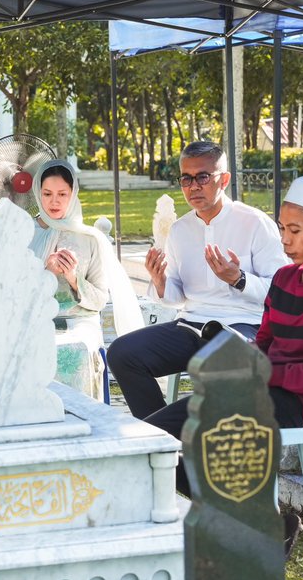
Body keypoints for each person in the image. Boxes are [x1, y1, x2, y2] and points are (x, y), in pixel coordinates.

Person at [146, 175, 303, 557]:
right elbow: (265, 342)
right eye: (282, 228)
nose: (284, 239)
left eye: (295, 230)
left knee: (164, 442)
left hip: (299, 401)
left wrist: (273, 373)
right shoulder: (284, 279)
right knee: (148, 439)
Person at [106, 140, 288, 420]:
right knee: (122, 354)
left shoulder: (254, 223)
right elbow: (178, 296)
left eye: (203, 177)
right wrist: (161, 281)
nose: (193, 186)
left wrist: (238, 279)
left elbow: (280, 292)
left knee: (222, 362)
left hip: (244, 328)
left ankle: (175, 439)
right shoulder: (179, 230)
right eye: (186, 179)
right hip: (191, 326)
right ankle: (164, 439)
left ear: (223, 179)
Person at [30, 159, 141, 399]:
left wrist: (73, 279)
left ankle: (86, 418)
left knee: (76, 351)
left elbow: (100, 298)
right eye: (47, 193)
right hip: (35, 319)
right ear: (38, 194)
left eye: (62, 194)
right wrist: (46, 272)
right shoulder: (26, 234)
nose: (54, 201)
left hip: (79, 320)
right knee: (31, 348)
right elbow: (14, 294)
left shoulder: (90, 238)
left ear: (73, 193)